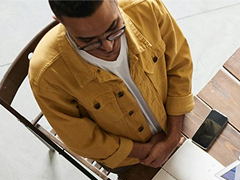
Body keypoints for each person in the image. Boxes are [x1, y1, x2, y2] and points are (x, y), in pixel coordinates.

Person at [29, 0, 194, 170]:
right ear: (59, 20)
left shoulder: (145, 6)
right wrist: (146, 152)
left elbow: (179, 63)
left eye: (114, 28)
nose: (108, 46)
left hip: (177, 121)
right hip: (130, 160)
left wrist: (173, 137)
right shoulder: (46, 75)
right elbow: (81, 139)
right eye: (89, 41)